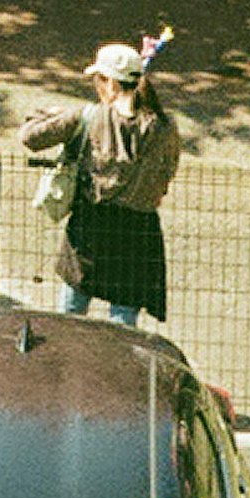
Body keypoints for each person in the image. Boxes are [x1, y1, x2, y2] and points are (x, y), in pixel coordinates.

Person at [21, 36, 182, 323]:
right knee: (124, 320)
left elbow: (30, 138)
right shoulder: (166, 127)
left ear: (111, 82)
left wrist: (52, 114)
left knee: (71, 314)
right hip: (140, 230)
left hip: (91, 227)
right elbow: (168, 173)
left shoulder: (89, 116)